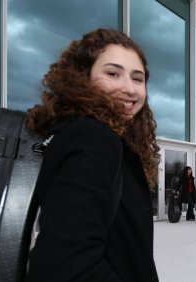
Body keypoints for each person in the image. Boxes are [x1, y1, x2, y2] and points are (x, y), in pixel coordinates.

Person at [26, 29, 160, 281]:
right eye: (112, 73)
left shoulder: (85, 133)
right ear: (82, 77)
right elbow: (64, 265)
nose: (129, 89)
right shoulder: (93, 137)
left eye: (138, 78)